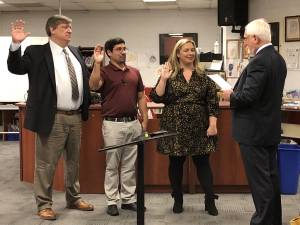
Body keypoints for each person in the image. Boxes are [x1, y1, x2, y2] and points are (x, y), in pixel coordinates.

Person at [7, 15, 93, 220]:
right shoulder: (36, 52)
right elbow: (16, 67)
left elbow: (83, 80)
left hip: (75, 116)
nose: (70, 30)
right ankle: (44, 204)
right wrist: (15, 45)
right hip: (52, 117)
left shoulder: (74, 52)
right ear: (52, 30)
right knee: (46, 164)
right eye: (65, 27)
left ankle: (73, 197)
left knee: (73, 162)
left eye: (70, 27)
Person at [222, 18, 287, 225]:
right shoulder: (278, 59)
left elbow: (248, 97)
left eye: (246, 39)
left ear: (255, 38)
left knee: (260, 183)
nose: (245, 43)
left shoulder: (259, 61)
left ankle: (262, 221)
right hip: (268, 130)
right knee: (270, 179)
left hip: (254, 132)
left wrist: (229, 95)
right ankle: (273, 220)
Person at [149, 39, 219, 215]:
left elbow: (212, 103)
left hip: (199, 126)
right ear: (178, 53)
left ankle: (210, 200)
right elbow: (157, 98)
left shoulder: (203, 76)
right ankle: (177, 199)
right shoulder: (170, 74)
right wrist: (163, 79)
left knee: (203, 164)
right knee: (176, 164)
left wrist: (213, 124)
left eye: (192, 50)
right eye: (186, 50)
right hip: (174, 125)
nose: (190, 53)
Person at [89, 38, 148, 216]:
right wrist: (97, 64)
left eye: (124, 48)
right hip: (112, 125)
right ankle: (112, 201)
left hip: (133, 123)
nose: (123, 51)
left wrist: (144, 121)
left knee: (130, 164)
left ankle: (129, 199)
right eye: (118, 49)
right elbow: (93, 85)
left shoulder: (134, 72)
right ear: (109, 52)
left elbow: (141, 97)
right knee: (112, 165)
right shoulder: (104, 72)